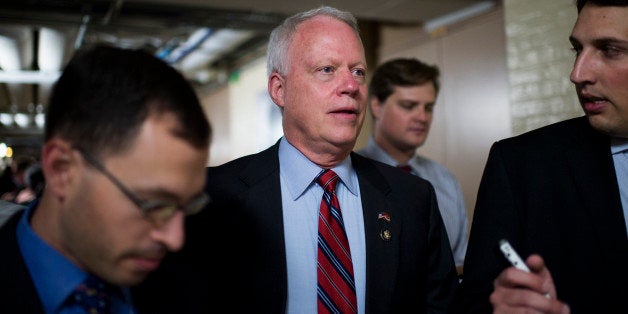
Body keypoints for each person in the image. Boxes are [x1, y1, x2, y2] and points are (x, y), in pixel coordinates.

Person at [140, 5, 458, 314]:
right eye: (327, 70)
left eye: (358, 71)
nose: (350, 86)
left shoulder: (413, 200)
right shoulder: (211, 197)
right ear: (279, 89)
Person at [0, 44, 212, 313]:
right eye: (155, 204)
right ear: (61, 170)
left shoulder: (197, 283)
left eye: (189, 206)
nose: (175, 239)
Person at [452, 0, 628, 313]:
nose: (577, 74)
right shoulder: (522, 165)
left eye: (610, 49)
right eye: (577, 49)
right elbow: (475, 301)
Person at [357, 58, 468, 275]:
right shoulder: (348, 176)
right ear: (376, 106)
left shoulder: (445, 181)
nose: (422, 117)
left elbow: (459, 264)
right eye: (409, 106)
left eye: (428, 107)